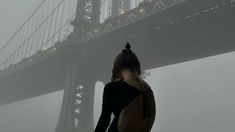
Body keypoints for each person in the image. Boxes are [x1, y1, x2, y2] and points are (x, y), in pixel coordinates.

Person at [94, 42, 156, 132]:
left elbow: (104, 120)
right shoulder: (148, 91)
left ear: (118, 68)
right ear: (136, 67)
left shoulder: (111, 88)